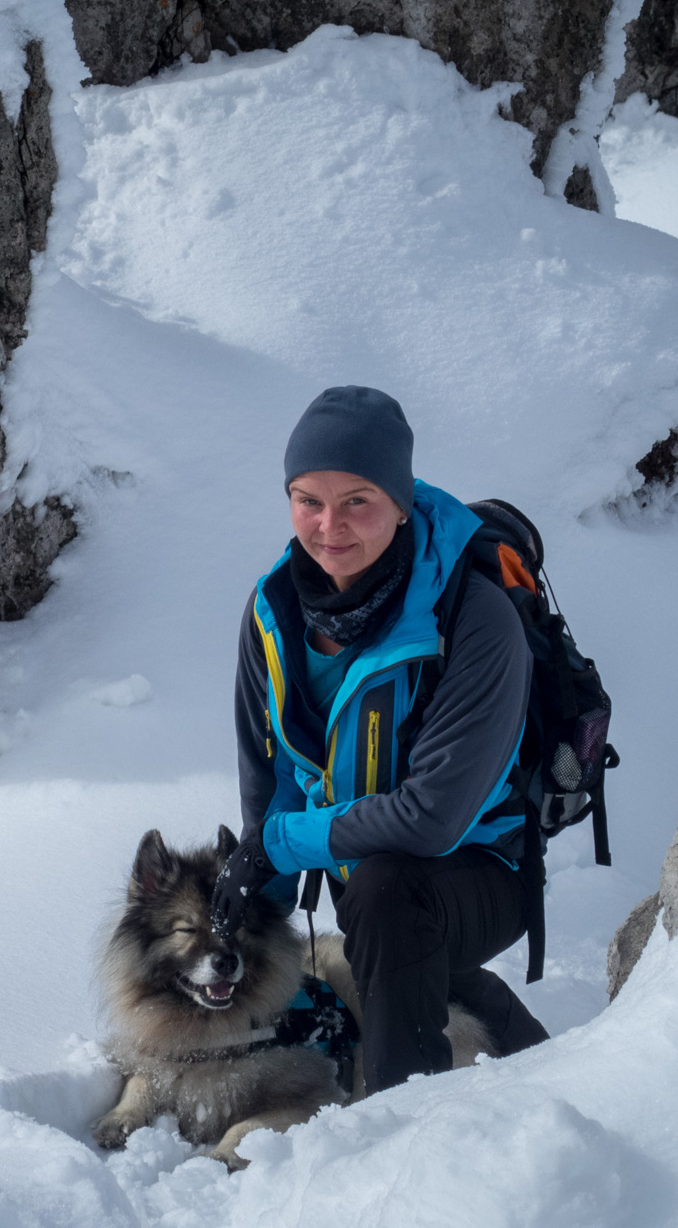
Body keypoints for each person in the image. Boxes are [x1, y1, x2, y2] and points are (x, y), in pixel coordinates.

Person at [210, 385, 549, 1094]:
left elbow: (431, 819)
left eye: (358, 500)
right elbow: (269, 791)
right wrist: (252, 905)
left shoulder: (474, 619)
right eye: (308, 499)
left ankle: (403, 1120)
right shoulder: (272, 613)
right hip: (362, 872)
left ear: (402, 502)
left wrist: (275, 845)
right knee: (386, 921)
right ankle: (531, 1055)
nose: (329, 525)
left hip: (483, 871)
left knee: (389, 896)